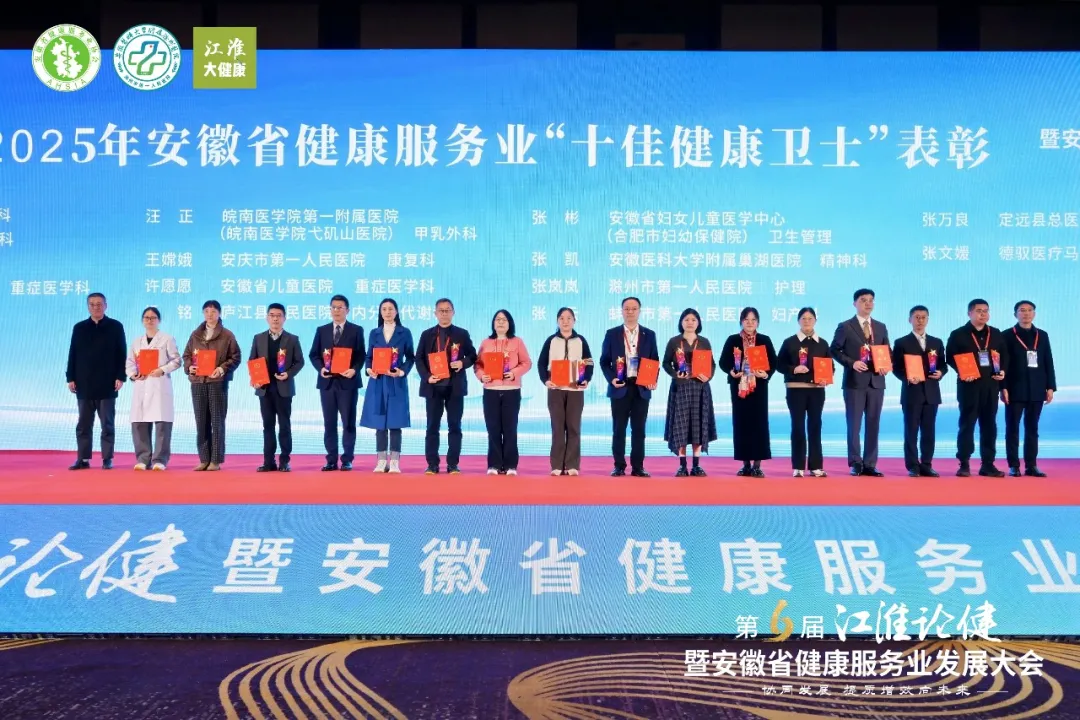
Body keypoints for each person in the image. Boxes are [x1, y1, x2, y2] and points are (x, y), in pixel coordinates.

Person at [830, 288, 890, 477]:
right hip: (854, 382)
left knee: (873, 424)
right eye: (863, 300)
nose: (868, 303)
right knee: (854, 425)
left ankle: (870, 464)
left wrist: (886, 365)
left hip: (876, 382)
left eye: (871, 300)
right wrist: (852, 363)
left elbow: (887, 350)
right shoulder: (845, 326)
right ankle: (856, 462)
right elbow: (834, 350)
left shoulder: (880, 327)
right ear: (855, 303)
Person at [945, 298, 1008, 477]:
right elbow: (950, 356)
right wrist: (963, 371)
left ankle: (988, 464)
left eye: (986, 311)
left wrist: (1003, 370)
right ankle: (964, 463)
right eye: (979, 311)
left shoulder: (995, 333)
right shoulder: (958, 334)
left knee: (989, 425)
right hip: (969, 386)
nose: (983, 314)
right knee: (967, 423)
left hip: (991, 385)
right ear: (969, 313)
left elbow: (1005, 355)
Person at [599, 297, 660, 477]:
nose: (630, 312)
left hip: (641, 387)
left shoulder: (649, 334)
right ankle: (619, 465)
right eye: (627, 308)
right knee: (619, 429)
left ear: (640, 311)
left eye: (634, 308)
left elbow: (654, 360)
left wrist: (652, 379)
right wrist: (612, 379)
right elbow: (604, 362)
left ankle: (638, 467)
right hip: (620, 386)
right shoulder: (612, 334)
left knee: (639, 429)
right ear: (622, 311)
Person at [415, 298, 476, 474]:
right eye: (441, 310)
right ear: (435, 313)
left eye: (447, 310)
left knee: (455, 426)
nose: (444, 313)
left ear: (453, 312)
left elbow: (473, 355)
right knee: (432, 427)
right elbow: (419, 358)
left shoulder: (461, 334)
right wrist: (427, 377)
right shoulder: (427, 334)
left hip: (454, 386)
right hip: (433, 387)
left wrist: (462, 363)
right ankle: (432, 464)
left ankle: (453, 464)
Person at [66, 292, 127, 470]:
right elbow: (73, 353)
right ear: (88, 307)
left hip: (108, 383)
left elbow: (121, 353)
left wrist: (120, 376)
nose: (96, 307)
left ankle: (107, 458)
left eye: (99, 304)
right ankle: (83, 458)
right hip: (83, 382)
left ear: (105, 306)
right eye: (92, 304)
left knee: (107, 424)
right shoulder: (79, 328)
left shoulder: (116, 326)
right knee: (84, 424)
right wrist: (70, 377)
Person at [182, 300, 241, 471]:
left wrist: (222, 369)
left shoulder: (227, 335)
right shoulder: (195, 334)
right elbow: (186, 355)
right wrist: (189, 367)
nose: (210, 314)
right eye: (207, 311)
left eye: (213, 311)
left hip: (217, 383)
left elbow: (236, 357)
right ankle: (204, 459)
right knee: (201, 421)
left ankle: (215, 460)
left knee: (217, 421)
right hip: (198, 382)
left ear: (219, 313)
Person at [309, 294, 365, 471]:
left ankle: (347, 459)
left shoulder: (356, 330)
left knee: (348, 422)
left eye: (340, 307)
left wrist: (354, 370)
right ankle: (331, 459)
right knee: (329, 423)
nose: (336, 310)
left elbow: (361, 355)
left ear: (347, 310)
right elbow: (314, 354)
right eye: (333, 307)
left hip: (348, 383)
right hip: (327, 383)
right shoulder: (322, 330)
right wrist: (321, 368)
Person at [718, 307, 777, 477]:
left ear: (758, 322)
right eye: (746, 320)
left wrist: (765, 373)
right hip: (739, 387)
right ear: (741, 321)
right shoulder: (733, 340)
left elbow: (774, 362)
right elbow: (723, 362)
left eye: (753, 320)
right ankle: (745, 465)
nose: (750, 323)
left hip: (759, 387)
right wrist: (731, 371)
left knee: (759, 424)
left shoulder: (764, 340)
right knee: (741, 423)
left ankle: (757, 465)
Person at [360, 298, 415, 474]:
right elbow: (369, 357)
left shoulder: (404, 332)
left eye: (391, 309)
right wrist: (369, 369)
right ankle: (381, 460)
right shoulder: (374, 333)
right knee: (380, 423)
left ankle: (395, 462)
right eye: (384, 309)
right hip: (378, 381)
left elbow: (411, 357)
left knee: (395, 422)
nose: (387, 312)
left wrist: (401, 371)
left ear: (396, 312)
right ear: (380, 312)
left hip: (396, 381)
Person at [475, 309, 533, 475]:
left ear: (510, 323)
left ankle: (510, 465)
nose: (500, 322)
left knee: (509, 428)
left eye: (504, 320)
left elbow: (527, 363)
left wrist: (514, 373)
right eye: (498, 319)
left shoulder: (517, 342)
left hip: (511, 390)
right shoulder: (486, 343)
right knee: (493, 428)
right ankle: (494, 464)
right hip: (491, 390)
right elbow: (478, 365)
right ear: (493, 323)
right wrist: (482, 376)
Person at [892, 305, 947, 477]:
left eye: (923, 317)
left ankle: (927, 464)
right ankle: (913, 466)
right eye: (916, 317)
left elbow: (943, 365)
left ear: (928, 320)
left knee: (929, 432)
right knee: (911, 431)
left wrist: (941, 373)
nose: (920, 320)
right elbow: (896, 368)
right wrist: (907, 378)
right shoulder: (901, 342)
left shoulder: (936, 342)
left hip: (931, 393)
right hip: (912, 392)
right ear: (910, 320)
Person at [776, 307, 832, 478]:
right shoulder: (790, 342)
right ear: (798, 321)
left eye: (810, 318)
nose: (807, 321)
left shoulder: (822, 343)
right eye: (803, 318)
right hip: (795, 389)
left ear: (815, 321)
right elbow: (779, 365)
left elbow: (830, 366)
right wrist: (794, 369)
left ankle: (816, 466)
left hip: (817, 391)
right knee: (798, 427)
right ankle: (798, 466)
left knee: (815, 426)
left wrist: (826, 378)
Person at [1002, 300, 1056, 477]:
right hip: (1015, 389)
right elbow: (1002, 364)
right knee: (1012, 428)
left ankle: (1031, 465)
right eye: (1022, 310)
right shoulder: (1007, 335)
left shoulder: (1042, 335)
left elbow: (1048, 361)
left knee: (1032, 428)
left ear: (1034, 313)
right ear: (1015, 314)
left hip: (1037, 389)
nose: (1026, 313)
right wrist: (1003, 387)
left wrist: (1050, 387)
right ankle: (1014, 465)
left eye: (1029, 310)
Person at [537, 307, 593, 476]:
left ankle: (572, 465)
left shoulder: (581, 340)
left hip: (575, 389)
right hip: (556, 389)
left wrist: (586, 379)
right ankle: (557, 465)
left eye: (569, 318)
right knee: (557, 427)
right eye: (562, 318)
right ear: (557, 321)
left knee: (574, 427)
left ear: (574, 320)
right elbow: (541, 363)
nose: (565, 321)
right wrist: (545, 380)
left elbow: (589, 363)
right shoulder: (551, 340)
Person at [249, 303, 305, 473]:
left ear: (284, 318)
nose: (275, 319)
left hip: (284, 388)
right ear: (267, 318)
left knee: (284, 426)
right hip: (265, 389)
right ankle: (268, 461)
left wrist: (288, 374)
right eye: (272, 315)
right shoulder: (258, 338)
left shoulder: (292, 339)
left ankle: (284, 461)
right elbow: (253, 361)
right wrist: (254, 379)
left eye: (278, 316)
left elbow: (299, 362)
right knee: (268, 426)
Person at [661, 308, 717, 477]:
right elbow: (665, 363)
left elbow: (712, 364)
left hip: (700, 388)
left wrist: (708, 376)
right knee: (681, 425)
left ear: (698, 322)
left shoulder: (704, 342)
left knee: (698, 425)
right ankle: (682, 465)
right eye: (686, 320)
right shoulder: (674, 341)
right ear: (681, 322)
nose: (690, 322)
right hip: (681, 387)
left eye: (693, 319)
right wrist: (675, 374)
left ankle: (697, 465)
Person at [124, 306, 181, 471]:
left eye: (153, 317)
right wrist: (133, 374)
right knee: (139, 422)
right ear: (142, 321)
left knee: (162, 423)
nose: (150, 320)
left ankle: (160, 459)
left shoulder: (167, 339)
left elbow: (177, 360)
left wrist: (162, 370)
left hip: (159, 384)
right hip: (141, 384)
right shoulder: (136, 342)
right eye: (146, 318)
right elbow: (129, 362)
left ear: (159, 320)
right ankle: (143, 458)